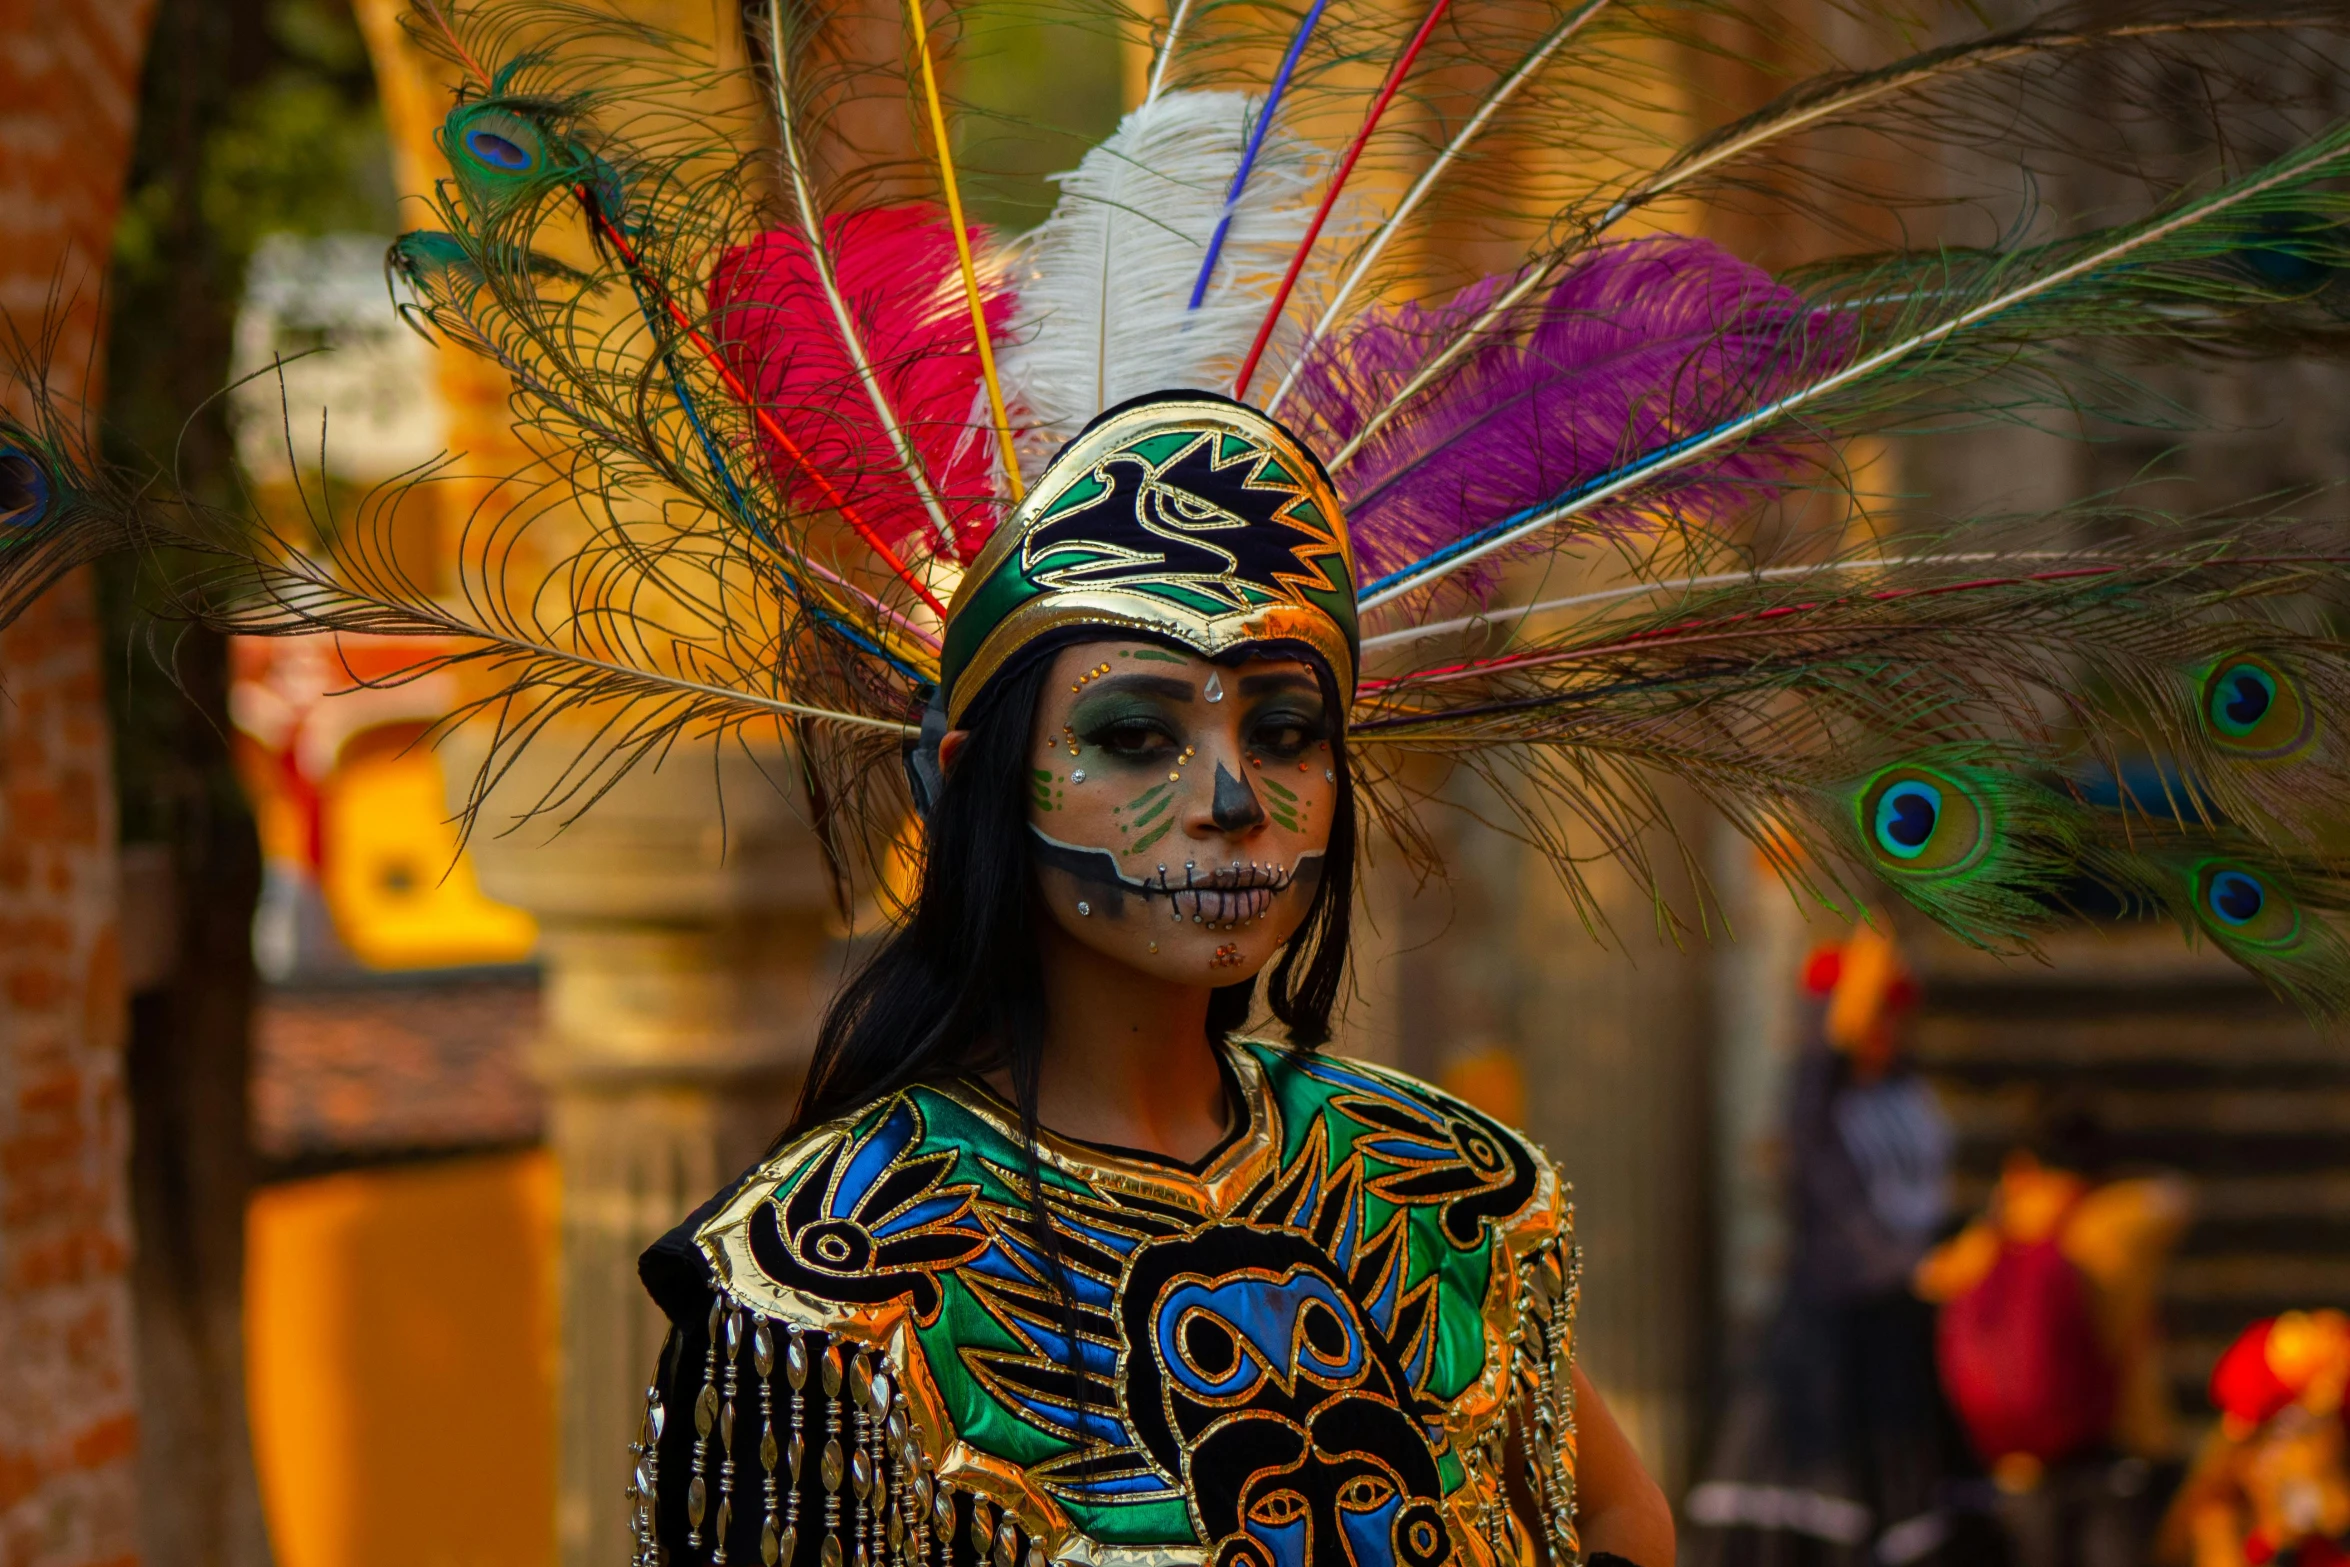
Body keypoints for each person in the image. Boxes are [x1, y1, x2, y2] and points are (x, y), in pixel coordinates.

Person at [629, 391, 1676, 1567]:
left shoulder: (1439, 1183)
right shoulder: (822, 1273)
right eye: (1135, 737)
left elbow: (1616, 1513)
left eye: (1284, 734)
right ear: (974, 781)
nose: (1232, 801)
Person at [1687, 922, 1981, 1567]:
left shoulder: (1909, 1090)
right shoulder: (1814, 1095)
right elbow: (1835, 1206)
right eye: (1871, 1013)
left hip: (1907, 1327)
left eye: (1891, 1015)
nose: (1884, 1027)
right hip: (1833, 1333)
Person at [1916, 1100, 2193, 1567]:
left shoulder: (1991, 1242)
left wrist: (2008, 1203)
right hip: (2121, 1445)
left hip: (2021, 1463)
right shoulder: (2113, 1223)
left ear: (2023, 1165)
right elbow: (2175, 1195)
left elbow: (1929, 1277)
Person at [2161, 1310, 2350, 1567]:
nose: (2282, 1454)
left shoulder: (2331, 1524)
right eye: (2272, 1438)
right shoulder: (2223, 1519)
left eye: (2307, 1430)